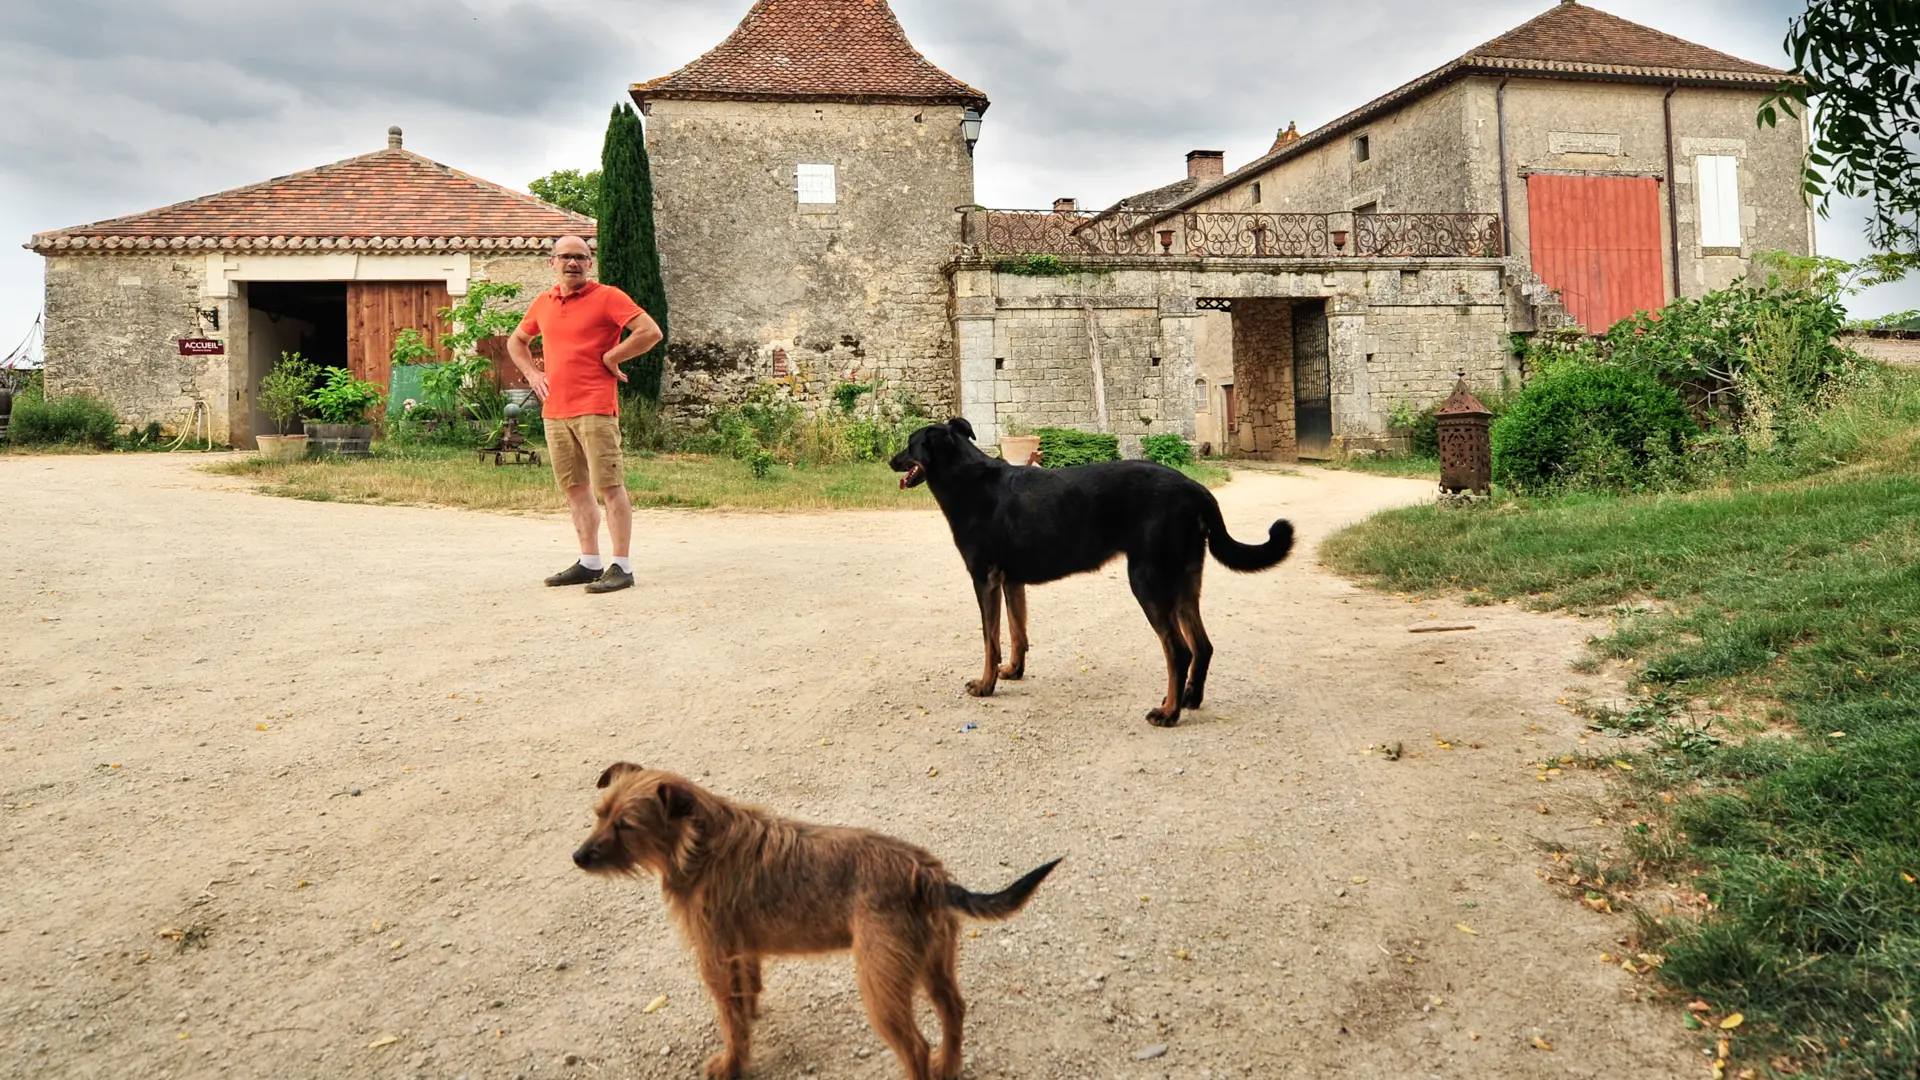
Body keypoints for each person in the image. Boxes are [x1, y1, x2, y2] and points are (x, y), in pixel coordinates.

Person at [508, 236, 663, 594]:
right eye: (565, 257)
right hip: (555, 410)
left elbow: (650, 331)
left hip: (595, 406)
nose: (572, 263)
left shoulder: (608, 297)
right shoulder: (543, 303)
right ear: (552, 263)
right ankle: (589, 562)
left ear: (589, 263)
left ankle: (621, 566)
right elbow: (516, 341)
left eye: (580, 257)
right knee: (575, 489)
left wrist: (613, 357)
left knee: (609, 486)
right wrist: (533, 373)